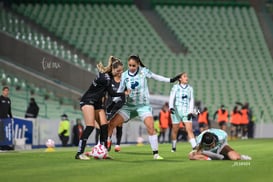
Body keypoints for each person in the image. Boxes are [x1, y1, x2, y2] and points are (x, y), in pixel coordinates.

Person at [107, 55, 180, 160]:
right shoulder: (124, 76)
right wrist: (112, 104)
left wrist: (170, 80)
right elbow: (120, 91)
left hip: (143, 107)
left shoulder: (143, 71)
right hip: (129, 107)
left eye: (134, 65)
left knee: (150, 127)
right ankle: (106, 146)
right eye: (130, 65)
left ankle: (155, 154)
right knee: (112, 124)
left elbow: (156, 76)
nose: (131, 67)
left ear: (138, 65)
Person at [75, 56, 127, 160]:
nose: (120, 73)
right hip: (88, 101)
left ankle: (103, 152)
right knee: (90, 126)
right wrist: (124, 93)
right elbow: (112, 94)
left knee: (104, 127)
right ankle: (79, 153)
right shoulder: (106, 78)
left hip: (97, 103)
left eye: (121, 70)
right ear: (113, 69)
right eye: (118, 70)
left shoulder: (108, 77)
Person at [169, 72, 197, 152]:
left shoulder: (190, 88)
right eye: (184, 76)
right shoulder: (175, 87)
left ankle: (194, 147)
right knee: (175, 130)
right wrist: (171, 107)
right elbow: (172, 97)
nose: (186, 78)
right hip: (176, 111)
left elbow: (191, 100)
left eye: (187, 76)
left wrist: (191, 111)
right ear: (180, 79)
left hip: (186, 111)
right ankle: (173, 147)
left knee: (189, 130)